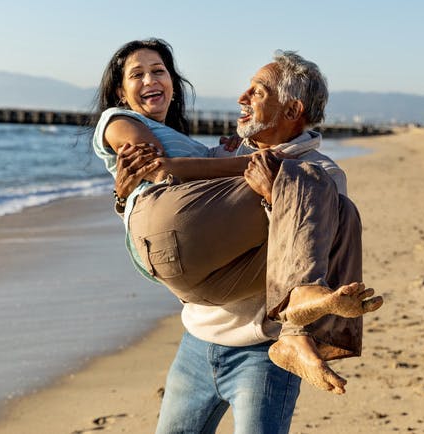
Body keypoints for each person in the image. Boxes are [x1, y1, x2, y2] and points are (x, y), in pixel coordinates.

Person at [91, 39, 382, 433]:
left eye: (258, 91)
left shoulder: (322, 174)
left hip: (263, 353)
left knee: (324, 195)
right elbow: (176, 210)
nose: (243, 97)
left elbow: (314, 246)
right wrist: (124, 198)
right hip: (198, 340)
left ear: (293, 110)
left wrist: (273, 194)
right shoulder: (222, 156)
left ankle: (298, 335)